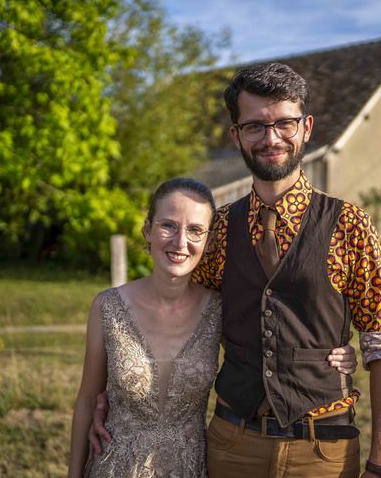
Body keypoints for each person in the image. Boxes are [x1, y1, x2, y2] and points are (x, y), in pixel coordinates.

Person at [92, 62, 381, 478]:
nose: (270, 137)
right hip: (232, 443)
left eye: (284, 123)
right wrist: (111, 393)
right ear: (236, 135)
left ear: (307, 127)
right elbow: (175, 312)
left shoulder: (350, 224)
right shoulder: (217, 228)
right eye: (255, 126)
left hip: (324, 450)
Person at [69, 177, 357, 477]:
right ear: (147, 230)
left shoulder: (219, 308)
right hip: (115, 466)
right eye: (168, 225)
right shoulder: (108, 307)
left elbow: (268, 348)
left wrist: (332, 353)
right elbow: (88, 400)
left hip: (189, 468)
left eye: (194, 230)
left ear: (208, 241)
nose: (180, 242)